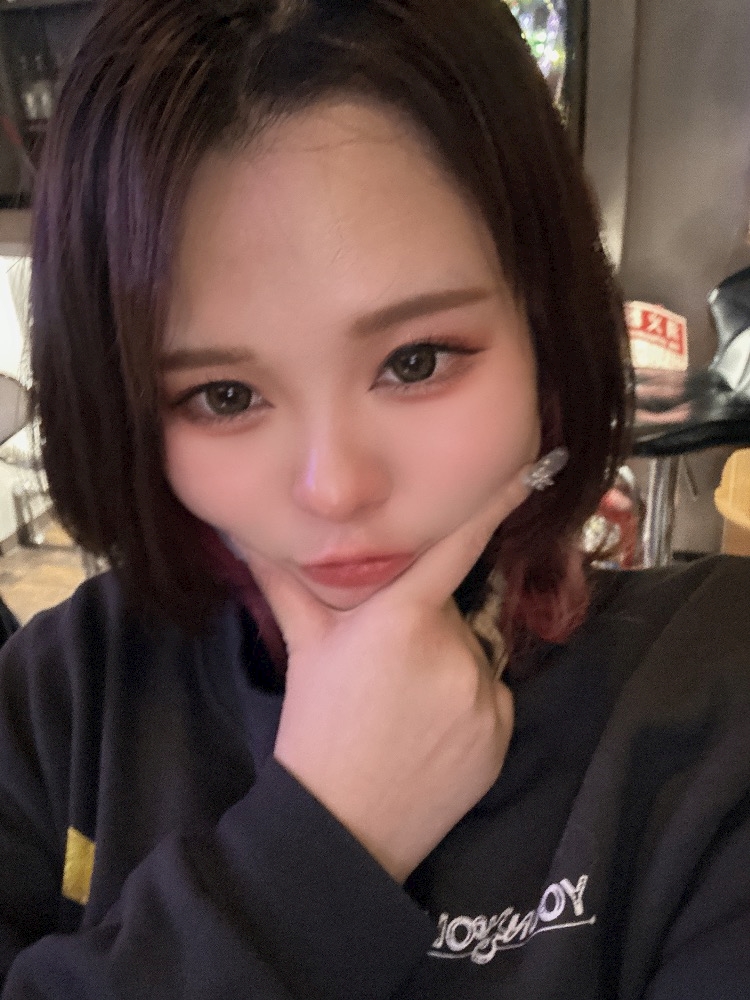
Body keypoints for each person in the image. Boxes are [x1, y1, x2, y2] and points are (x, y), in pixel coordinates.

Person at [0, 1, 748, 997]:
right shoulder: (60, 701)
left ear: (545, 331)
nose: (335, 487)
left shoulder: (710, 699)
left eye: (417, 360)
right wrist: (313, 855)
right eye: (224, 396)